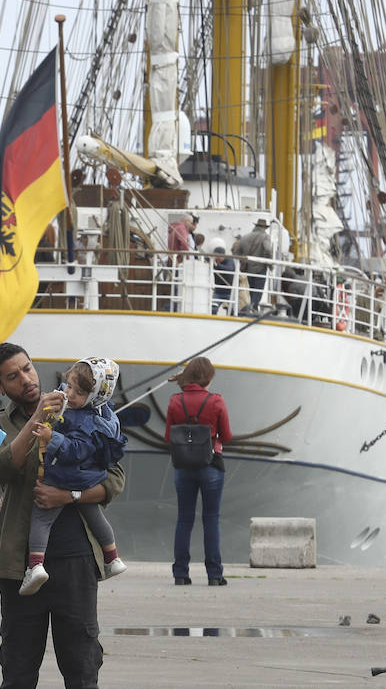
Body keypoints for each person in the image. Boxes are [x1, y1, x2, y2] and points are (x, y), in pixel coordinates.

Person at [0, 342, 126, 688]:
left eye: (28, 368)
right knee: (18, 668)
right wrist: (37, 419)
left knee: (82, 666)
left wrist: (67, 495)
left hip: (75, 558)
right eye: (13, 376)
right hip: (19, 564)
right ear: (0, 387)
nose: (26, 379)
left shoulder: (86, 412)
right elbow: (0, 468)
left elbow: (114, 480)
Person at [20, 358, 128, 595]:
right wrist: (60, 393)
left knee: (41, 519)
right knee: (95, 515)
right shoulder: (104, 414)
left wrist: (51, 437)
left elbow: (76, 450)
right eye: (68, 385)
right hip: (88, 479)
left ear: (94, 397)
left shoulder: (87, 421)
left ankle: (35, 566)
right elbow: (70, 392)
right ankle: (112, 557)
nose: (69, 393)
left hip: (64, 476)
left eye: (77, 392)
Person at [165, 356, 233, 586]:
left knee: (184, 519)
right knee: (211, 519)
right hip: (211, 465)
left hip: (183, 466)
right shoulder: (216, 401)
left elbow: (168, 437)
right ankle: (214, 575)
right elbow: (227, 436)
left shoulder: (175, 401)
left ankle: (180, 573)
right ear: (207, 377)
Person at [232, 218, 273, 312]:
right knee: (258, 291)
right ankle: (253, 308)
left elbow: (236, 251)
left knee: (251, 290)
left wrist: (243, 262)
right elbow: (268, 250)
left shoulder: (245, 237)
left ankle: (251, 307)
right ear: (264, 228)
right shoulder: (265, 237)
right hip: (260, 268)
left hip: (249, 268)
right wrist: (270, 264)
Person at [210, 246, 238, 315]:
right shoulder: (214, 262)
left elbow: (229, 269)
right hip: (218, 291)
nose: (217, 258)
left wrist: (217, 265)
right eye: (216, 257)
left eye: (219, 257)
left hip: (230, 292)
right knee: (213, 309)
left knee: (234, 311)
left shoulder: (229, 260)